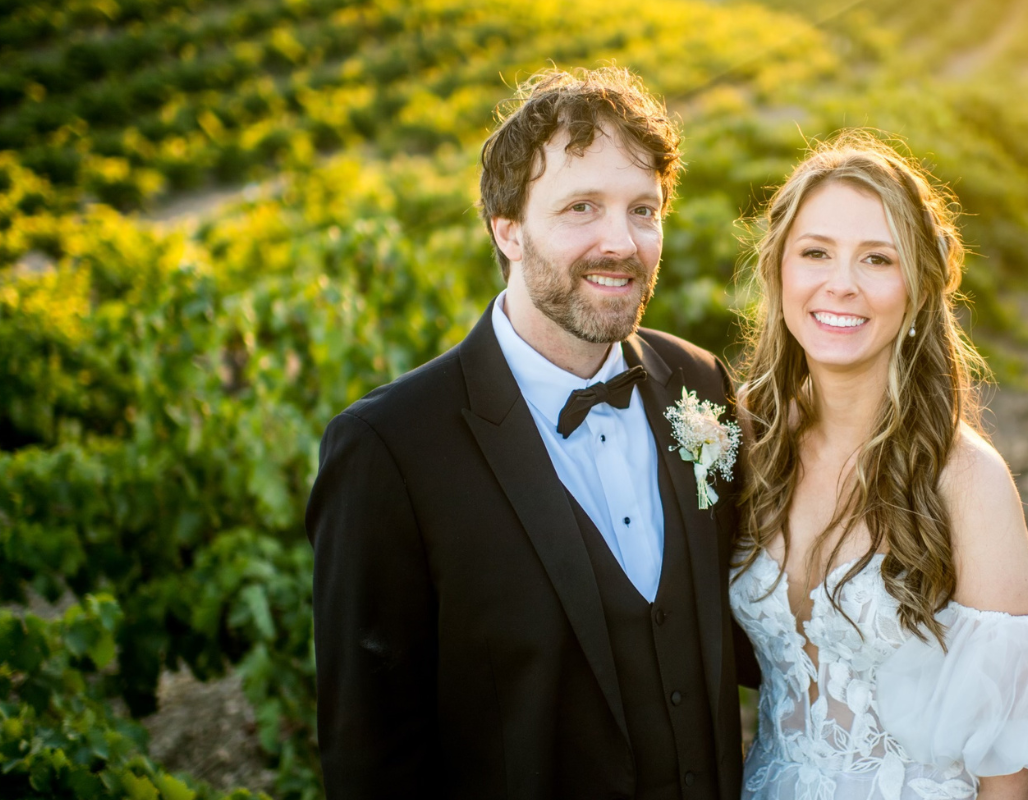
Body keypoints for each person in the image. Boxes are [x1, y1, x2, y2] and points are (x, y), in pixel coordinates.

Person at [306, 67, 750, 799]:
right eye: (582, 207)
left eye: (644, 210)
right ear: (506, 229)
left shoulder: (699, 384)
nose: (623, 242)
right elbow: (371, 758)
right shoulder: (388, 450)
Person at [729, 132, 1028, 800]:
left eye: (876, 259)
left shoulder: (967, 482)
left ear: (919, 288)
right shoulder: (746, 439)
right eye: (816, 253)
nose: (840, 284)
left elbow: (1011, 767)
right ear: (780, 268)